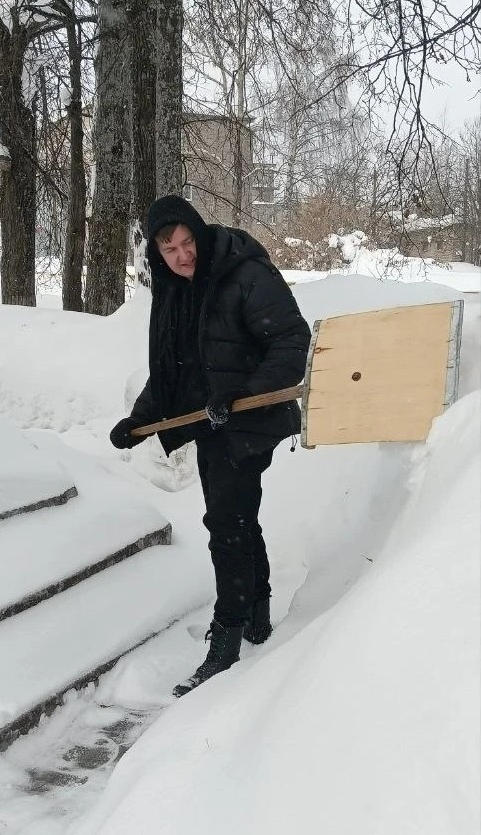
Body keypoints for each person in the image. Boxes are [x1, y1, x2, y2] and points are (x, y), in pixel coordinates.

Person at [110, 195, 311, 697]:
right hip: (213, 422)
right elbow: (173, 369)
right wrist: (139, 420)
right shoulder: (175, 291)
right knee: (237, 518)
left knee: (226, 524)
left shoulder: (243, 272)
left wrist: (240, 394)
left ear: (199, 233)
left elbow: (291, 340)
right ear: (157, 255)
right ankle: (257, 612)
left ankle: (227, 637)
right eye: (170, 249)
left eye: (187, 242)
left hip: (249, 418)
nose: (183, 256)